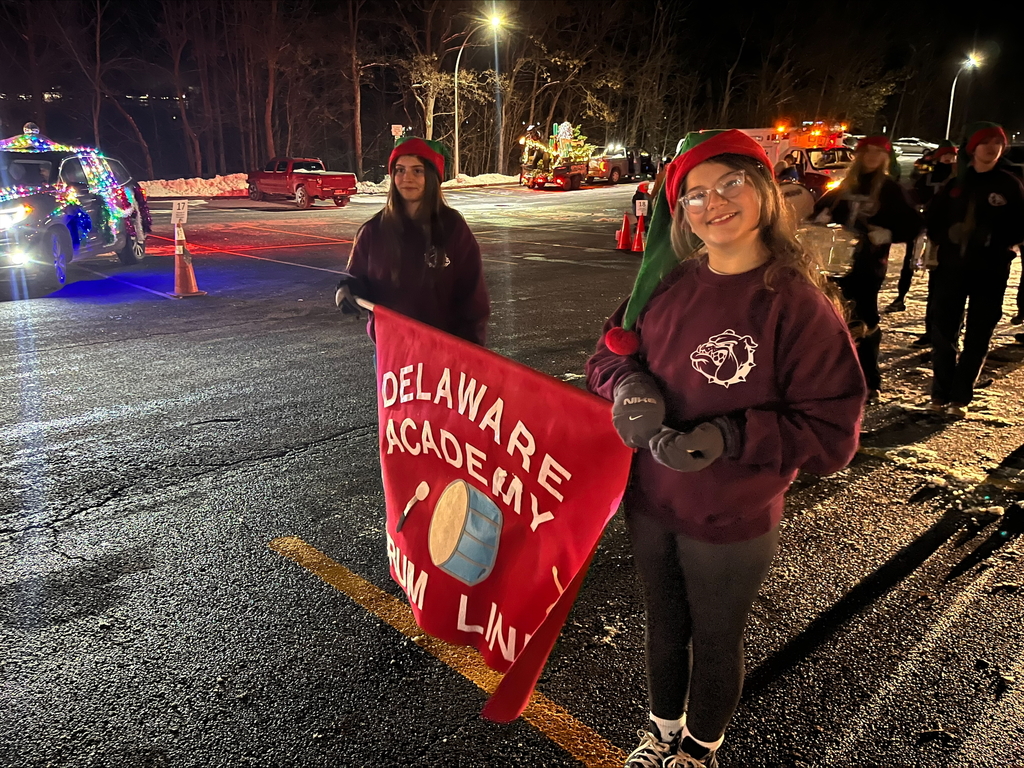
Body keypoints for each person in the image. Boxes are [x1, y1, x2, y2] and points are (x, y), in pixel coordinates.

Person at [585, 130, 866, 768]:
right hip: (652, 501)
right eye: (694, 195)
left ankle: (700, 749)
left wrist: (731, 435)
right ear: (679, 212)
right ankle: (660, 733)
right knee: (663, 626)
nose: (713, 204)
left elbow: (832, 431)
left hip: (731, 516)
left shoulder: (794, 303)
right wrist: (627, 383)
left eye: (729, 184)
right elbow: (604, 354)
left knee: (714, 640)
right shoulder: (667, 286)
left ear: (764, 189)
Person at [334, 137, 490, 346]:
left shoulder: (453, 228)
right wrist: (349, 288)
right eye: (400, 170)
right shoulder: (373, 231)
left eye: (417, 170)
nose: (407, 178)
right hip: (393, 352)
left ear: (433, 176)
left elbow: (473, 297)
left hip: (445, 352)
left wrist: (471, 350)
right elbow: (362, 281)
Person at [813, 135, 924, 401]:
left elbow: (913, 225)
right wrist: (820, 218)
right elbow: (817, 212)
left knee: (865, 320)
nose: (872, 156)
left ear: (885, 158)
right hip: (835, 266)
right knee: (833, 321)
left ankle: (869, 379)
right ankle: (836, 377)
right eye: (868, 151)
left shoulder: (890, 189)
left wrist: (888, 233)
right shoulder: (844, 187)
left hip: (868, 266)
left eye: (878, 152)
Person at [926, 122, 1024, 417]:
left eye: (997, 143)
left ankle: (960, 397)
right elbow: (933, 219)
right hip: (950, 270)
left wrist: (1001, 240)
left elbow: (1021, 223)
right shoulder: (956, 184)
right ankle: (940, 394)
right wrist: (944, 236)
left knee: (978, 335)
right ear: (973, 148)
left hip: (990, 271)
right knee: (943, 334)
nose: (992, 148)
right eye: (986, 142)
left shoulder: (1009, 184)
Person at [900, 141, 958, 346]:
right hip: (929, 234)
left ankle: (948, 334)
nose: (949, 159)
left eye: (952, 156)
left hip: (952, 239)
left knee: (948, 289)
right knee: (933, 287)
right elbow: (914, 197)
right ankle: (929, 330)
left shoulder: (960, 179)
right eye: (945, 156)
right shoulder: (929, 176)